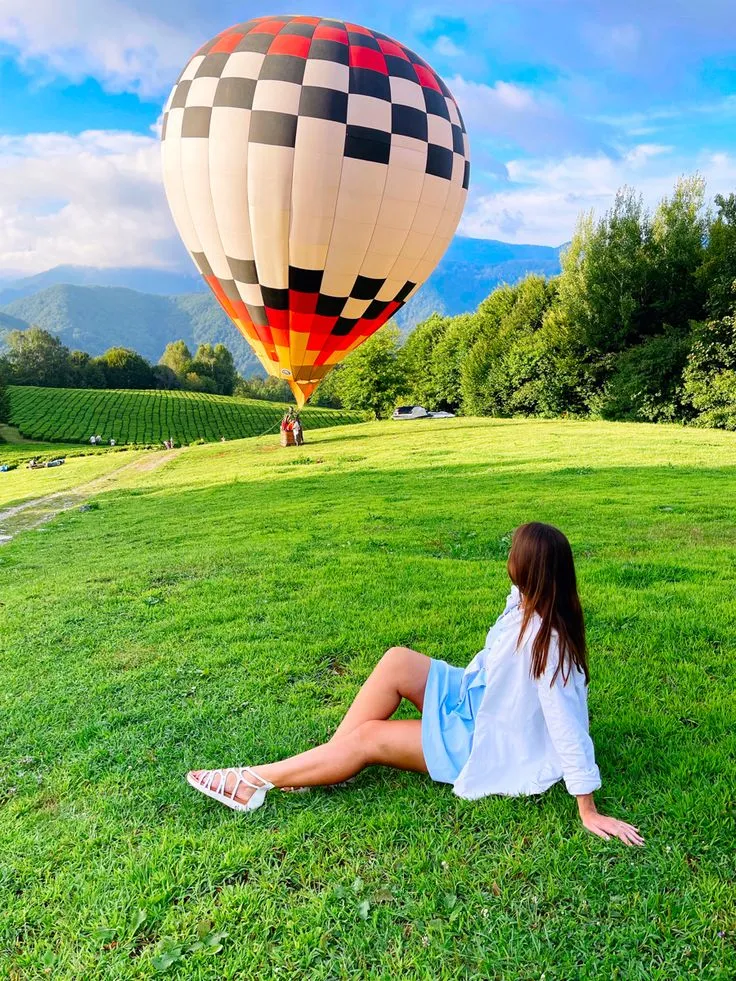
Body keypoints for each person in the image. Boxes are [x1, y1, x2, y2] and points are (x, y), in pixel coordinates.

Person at [187, 523, 644, 846]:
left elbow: (567, 726)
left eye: (514, 553)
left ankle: (251, 782)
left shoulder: (552, 645)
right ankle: (322, 764)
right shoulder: (527, 600)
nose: (506, 558)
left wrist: (588, 808)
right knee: (397, 661)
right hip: (470, 697)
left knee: (369, 739)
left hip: (480, 738)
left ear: (528, 570)